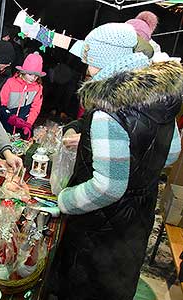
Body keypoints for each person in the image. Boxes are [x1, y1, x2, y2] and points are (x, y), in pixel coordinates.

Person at [50, 23, 183, 300]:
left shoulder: (107, 112)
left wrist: (66, 200)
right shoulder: (159, 97)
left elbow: (108, 188)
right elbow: (170, 154)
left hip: (99, 227)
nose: (86, 68)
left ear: (102, 59)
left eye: (90, 60)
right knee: (116, 287)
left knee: (83, 289)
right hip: (138, 215)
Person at [0, 52, 45, 139]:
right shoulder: (10, 83)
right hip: (5, 123)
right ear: (23, 72)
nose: (33, 78)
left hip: (23, 125)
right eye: (30, 74)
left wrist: (28, 124)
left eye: (36, 76)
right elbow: (1, 104)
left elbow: (35, 108)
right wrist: (9, 117)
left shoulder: (38, 88)